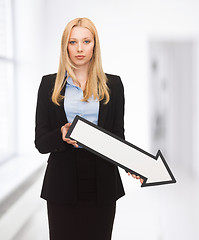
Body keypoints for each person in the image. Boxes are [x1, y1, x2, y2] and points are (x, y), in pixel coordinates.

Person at [35, 17, 143, 240]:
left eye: (86, 41)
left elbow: (117, 137)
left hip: (102, 185)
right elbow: (40, 143)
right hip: (61, 185)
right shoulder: (49, 84)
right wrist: (61, 134)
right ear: (65, 46)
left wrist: (133, 163)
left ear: (95, 45)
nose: (80, 48)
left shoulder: (113, 85)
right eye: (73, 42)